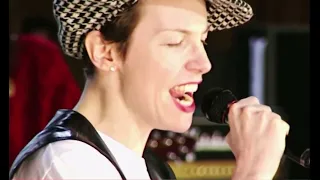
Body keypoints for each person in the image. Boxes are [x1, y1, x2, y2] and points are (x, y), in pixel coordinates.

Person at [10, 0, 290, 179]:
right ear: (105, 52)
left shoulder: (147, 168)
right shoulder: (68, 165)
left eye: (202, 41)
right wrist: (254, 170)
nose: (204, 64)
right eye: (175, 42)